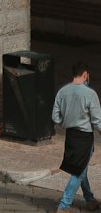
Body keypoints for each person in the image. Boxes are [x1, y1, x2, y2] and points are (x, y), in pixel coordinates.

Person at [52, 61, 101, 213]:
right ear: (85, 74)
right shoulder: (90, 94)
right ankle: (63, 205)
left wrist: (64, 122)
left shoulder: (62, 92)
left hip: (70, 136)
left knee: (81, 169)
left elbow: (55, 117)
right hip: (85, 138)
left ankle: (90, 200)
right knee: (78, 172)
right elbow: (97, 121)